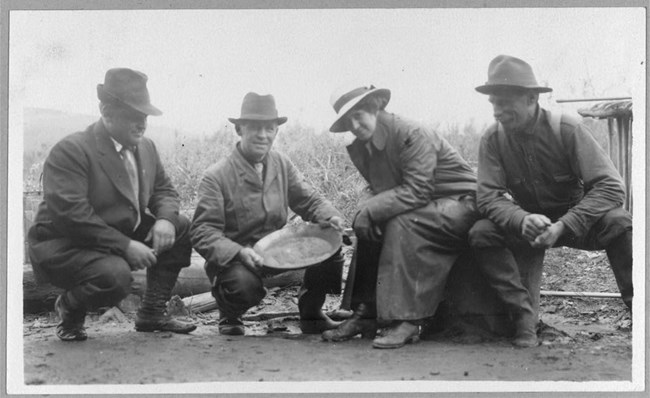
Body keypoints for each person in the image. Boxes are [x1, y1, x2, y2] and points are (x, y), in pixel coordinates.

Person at [468, 55, 633, 347]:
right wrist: (521, 219)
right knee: (482, 231)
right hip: (528, 226)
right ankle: (522, 317)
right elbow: (489, 196)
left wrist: (564, 225)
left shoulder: (566, 129)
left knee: (619, 222)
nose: (497, 111)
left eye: (505, 102)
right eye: (493, 103)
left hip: (577, 221)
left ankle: (641, 311)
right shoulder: (492, 139)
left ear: (532, 98)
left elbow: (611, 186)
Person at [27, 68, 197, 341]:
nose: (142, 124)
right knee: (115, 276)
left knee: (180, 226)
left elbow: (164, 190)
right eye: (133, 115)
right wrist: (125, 246)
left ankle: (153, 312)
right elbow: (72, 216)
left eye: (144, 116)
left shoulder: (147, 148)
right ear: (106, 112)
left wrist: (165, 219)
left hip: (113, 234)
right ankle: (69, 309)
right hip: (66, 244)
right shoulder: (72, 150)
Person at [321, 85, 479, 349]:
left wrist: (370, 209)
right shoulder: (366, 145)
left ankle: (408, 320)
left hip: (463, 202)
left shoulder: (410, 132)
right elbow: (377, 188)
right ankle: (365, 312)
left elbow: (418, 189)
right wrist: (364, 211)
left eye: (359, 114)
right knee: (370, 225)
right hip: (427, 203)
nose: (355, 125)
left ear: (375, 106)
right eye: (348, 121)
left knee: (402, 223)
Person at [190, 92, 346, 336]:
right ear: (239, 130)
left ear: (276, 131)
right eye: (255, 128)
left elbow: (308, 199)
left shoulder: (281, 163)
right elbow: (202, 232)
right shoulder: (216, 175)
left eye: (269, 128)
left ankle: (311, 312)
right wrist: (238, 252)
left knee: (331, 244)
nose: (263, 135)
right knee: (242, 286)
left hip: (278, 252)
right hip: (237, 260)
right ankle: (229, 314)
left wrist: (330, 216)